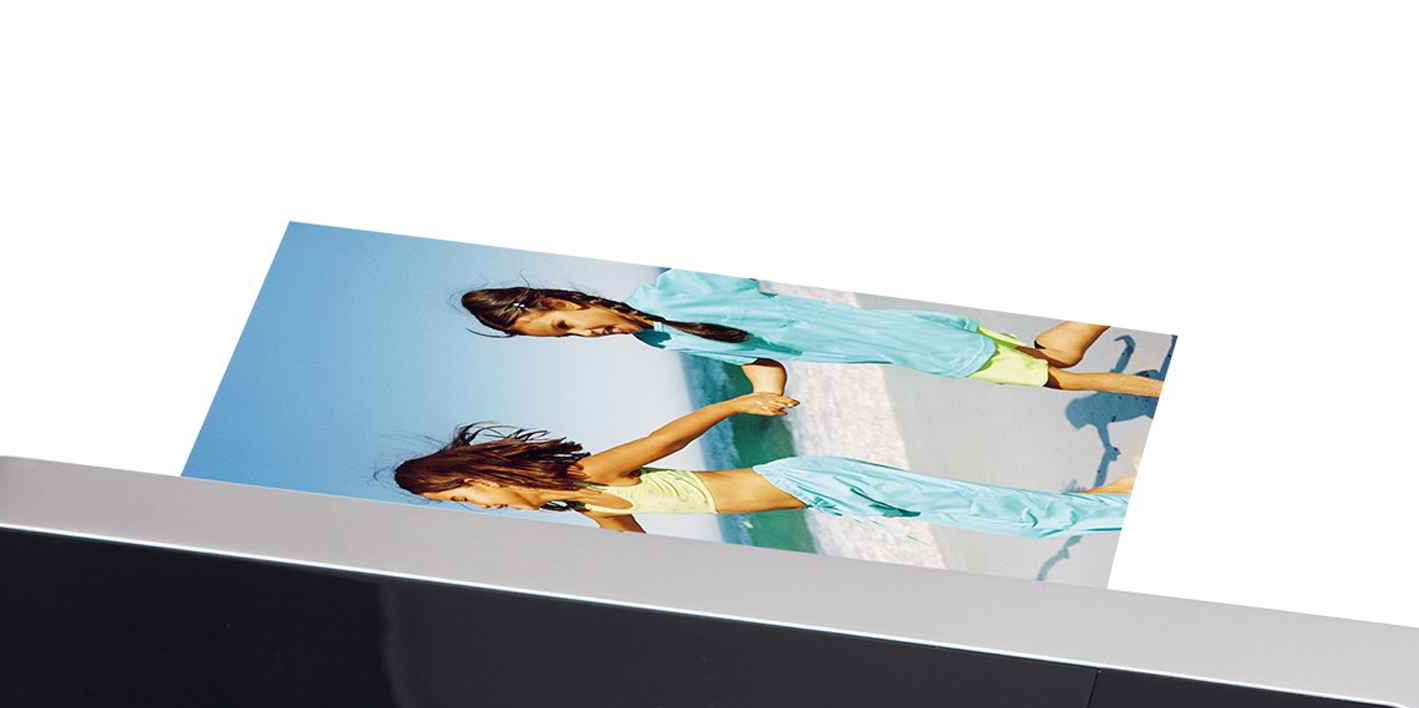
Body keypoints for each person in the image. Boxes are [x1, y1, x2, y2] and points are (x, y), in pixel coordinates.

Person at [394, 395, 1131, 539]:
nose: (477, 510)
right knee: (992, 510)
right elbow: (638, 558)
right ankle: (1117, 496)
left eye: (463, 499)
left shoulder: (589, 477)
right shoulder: (588, 506)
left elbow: (663, 439)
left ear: (480, 476)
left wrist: (740, 403)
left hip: (812, 480)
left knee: (1017, 521)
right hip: (826, 499)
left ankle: (1121, 503)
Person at [461, 274, 1161, 398]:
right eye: (562, 341)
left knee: (1058, 379)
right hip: (901, 345)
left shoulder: (671, 291)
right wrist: (763, 395)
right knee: (1053, 356)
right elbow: (760, 356)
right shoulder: (660, 340)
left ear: (560, 299)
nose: (580, 335)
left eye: (564, 324)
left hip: (914, 341)